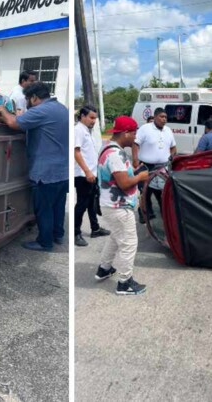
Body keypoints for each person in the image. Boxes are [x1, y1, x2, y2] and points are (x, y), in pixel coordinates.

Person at [0, 82, 69, 252]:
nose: (27, 103)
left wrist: (3, 111)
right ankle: (58, 235)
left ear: (34, 98)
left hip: (46, 172)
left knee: (44, 208)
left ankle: (45, 242)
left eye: (28, 99)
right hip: (62, 171)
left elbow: (14, 124)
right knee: (58, 205)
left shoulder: (41, 111)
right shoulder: (61, 109)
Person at [95, 115, 149, 295]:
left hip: (111, 206)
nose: (135, 138)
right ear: (126, 133)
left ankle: (104, 268)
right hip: (118, 207)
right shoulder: (116, 154)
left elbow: (118, 175)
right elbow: (124, 183)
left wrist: (134, 170)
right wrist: (140, 177)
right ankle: (125, 283)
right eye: (134, 134)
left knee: (115, 238)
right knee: (129, 243)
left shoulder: (107, 148)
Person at [132, 107, 176, 223]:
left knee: (162, 192)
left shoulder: (168, 130)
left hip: (163, 167)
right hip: (146, 166)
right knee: (145, 193)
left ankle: (165, 215)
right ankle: (144, 214)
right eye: (162, 117)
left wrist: (172, 157)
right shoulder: (145, 129)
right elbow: (135, 144)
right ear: (155, 117)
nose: (164, 119)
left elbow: (173, 147)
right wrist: (135, 160)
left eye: (166, 117)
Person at [74, 105, 110, 247]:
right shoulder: (78, 130)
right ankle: (76, 232)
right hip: (83, 174)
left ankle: (95, 228)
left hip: (92, 173)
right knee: (82, 204)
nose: (93, 121)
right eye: (91, 117)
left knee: (91, 202)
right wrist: (87, 171)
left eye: (95, 118)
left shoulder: (88, 130)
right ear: (82, 116)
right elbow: (76, 152)